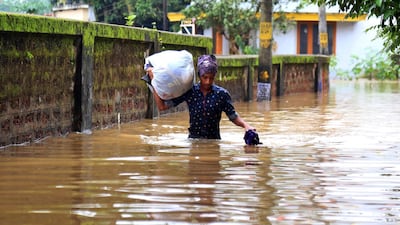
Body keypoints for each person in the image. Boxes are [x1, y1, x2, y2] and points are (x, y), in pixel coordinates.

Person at [146, 54, 256, 140]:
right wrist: (154, 81)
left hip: (214, 142)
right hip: (193, 141)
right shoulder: (190, 92)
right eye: (205, 77)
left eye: (211, 78)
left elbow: (233, 117)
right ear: (199, 75)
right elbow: (162, 107)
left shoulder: (222, 95)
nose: (208, 81)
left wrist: (246, 126)